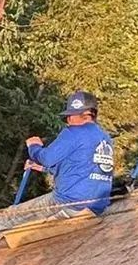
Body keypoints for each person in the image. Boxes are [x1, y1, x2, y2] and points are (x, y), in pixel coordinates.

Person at [16, 90, 115, 218]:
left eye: (68, 116)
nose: (68, 121)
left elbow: (47, 158)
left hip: (70, 203)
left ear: (76, 115)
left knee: (12, 216)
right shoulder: (105, 137)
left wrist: (34, 146)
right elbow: (82, 167)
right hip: (97, 206)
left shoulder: (74, 132)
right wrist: (42, 168)